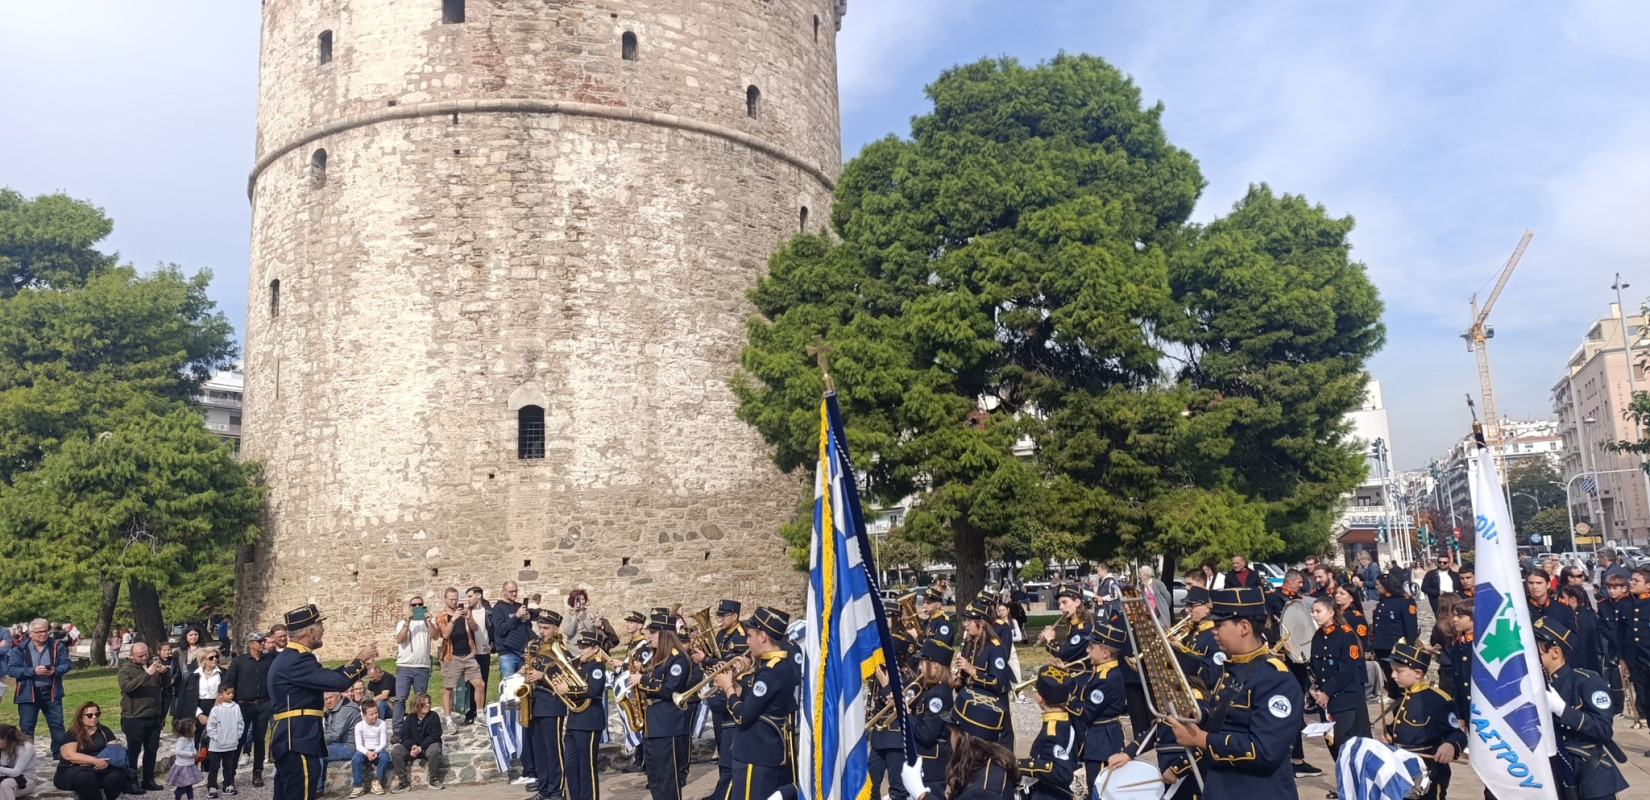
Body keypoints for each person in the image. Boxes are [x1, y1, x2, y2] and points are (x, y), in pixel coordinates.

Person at [1167, 586, 1303, 796]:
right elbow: (1223, 718)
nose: (1213, 630)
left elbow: (1264, 750)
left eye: (1219, 624)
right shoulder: (1233, 668)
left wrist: (1200, 739)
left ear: (1244, 627)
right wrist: (1193, 711)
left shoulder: (1276, 679)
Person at [267, 604, 375, 800]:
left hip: (292, 738)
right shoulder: (297, 660)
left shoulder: (291, 659)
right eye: (320, 626)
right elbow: (338, 682)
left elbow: (325, 678)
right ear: (310, 630)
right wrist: (360, 659)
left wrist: (357, 664)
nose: (323, 630)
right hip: (298, 740)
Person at [1533, 617, 1629, 800]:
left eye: (1537, 653)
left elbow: (1603, 729)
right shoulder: (1536, 686)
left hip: (1588, 774)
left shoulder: (1586, 681)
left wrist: (1562, 710)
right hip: (1553, 772)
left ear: (1555, 652)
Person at [715, 607, 799, 800]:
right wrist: (736, 687)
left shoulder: (771, 672)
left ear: (762, 637)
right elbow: (759, 702)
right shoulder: (777, 667)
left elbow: (743, 716)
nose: (747, 641)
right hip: (759, 752)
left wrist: (728, 688)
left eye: (750, 635)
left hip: (756, 754)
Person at [895, 689, 1018, 800]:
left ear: (962, 736)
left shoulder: (983, 791)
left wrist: (920, 793)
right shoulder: (990, 767)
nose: (950, 736)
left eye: (952, 730)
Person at [1384, 642, 1466, 800]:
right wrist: (1389, 734)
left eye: (1398, 671)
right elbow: (1401, 726)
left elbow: (1458, 734)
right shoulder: (1404, 697)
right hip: (1403, 772)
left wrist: (1450, 745)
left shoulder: (1438, 700)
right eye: (1393, 670)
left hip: (1429, 774)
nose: (1393, 675)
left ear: (1418, 672)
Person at [630, 610, 690, 800]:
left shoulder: (677, 659)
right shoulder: (658, 659)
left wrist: (643, 680)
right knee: (655, 777)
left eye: (653, 632)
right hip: (653, 725)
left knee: (667, 780)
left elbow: (669, 689)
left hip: (667, 726)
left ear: (664, 634)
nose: (650, 636)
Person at [1309, 594, 1369, 766]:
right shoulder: (1318, 636)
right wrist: (1312, 689)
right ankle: (1344, 783)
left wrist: (1327, 692)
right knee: (1331, 742)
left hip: (1343, 698)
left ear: (1331, 612)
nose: (1314, 615)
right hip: (1324, 701)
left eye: (1318, 611)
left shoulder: (1346, 635)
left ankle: (1353, 785)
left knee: (1345, 742)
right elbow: (1315, 666)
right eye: (1313, 611)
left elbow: (1347, 669)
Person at [1069, 621, 1128, 792]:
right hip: (1098, 738)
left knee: (1101, 788)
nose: (1087, 650)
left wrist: (1065, 697)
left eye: (1091, 647)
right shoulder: (1102, 670)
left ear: (1105, 653)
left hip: (1103, 741)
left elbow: (1086, 711)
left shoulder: (1106, 679)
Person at [697, 599, 746, 800]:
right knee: (720, 741)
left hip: (733, 691)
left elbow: (734, 664)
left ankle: (729, 790)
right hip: (720, 691)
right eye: (718, 615)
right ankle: (722, 788)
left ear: (734, 616)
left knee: (729, 746)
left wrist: (706, 660)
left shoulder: (741, 636)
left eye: (722, 616)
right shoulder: (720, 634)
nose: (719, 619)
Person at [6, 619, 71, 759]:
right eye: (39, 632)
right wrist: (32, 671)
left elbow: (66, 664)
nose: (43, 634)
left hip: (51, 692)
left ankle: (59, 755)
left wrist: (55, 670)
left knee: (57, 726)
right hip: (28, 693)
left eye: (45, 631)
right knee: (27, 727)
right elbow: (12, 670)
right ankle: (27, 757)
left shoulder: (56, 646)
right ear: (30, 634)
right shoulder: (19, 649)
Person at [521, 610, 568, 800]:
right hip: (535, 702)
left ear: (556, 628)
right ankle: (544, 789)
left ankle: (558, 791)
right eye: (540, 627)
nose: (541, 631)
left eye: (546, 628)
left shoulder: (560, 650)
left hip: (552, 702)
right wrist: (526, 670)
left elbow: (565, 675)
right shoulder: (536, 646)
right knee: (539, 750)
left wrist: (543, 676)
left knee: (553, 750)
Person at [557, 631, 607, 800]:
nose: (581, 650)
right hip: (574, 720)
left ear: (595, 648)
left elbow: (593, 691)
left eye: (585, 647)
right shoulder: (578, 664)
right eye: (580, 646)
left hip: (589, 721)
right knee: (571, 766)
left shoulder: (598, 666)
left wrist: (568, 689)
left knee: (587, 767)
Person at [116, 642, 170, 793]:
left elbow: (166, 685)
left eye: (146, 654)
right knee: (134, 752)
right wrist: (147, 674)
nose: (144, 657)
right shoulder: (125, 670)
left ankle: (148, 780)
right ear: (131, 656)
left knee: (151, 750)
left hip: (154, 717)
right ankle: (131, 782)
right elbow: (127, 688)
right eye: (140, 655)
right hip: (135, 718)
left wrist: (164, 672)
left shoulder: (153, 664)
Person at [221, 633, 272, 788]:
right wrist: (225, 698)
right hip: (243, 705)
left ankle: (257, 771)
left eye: (263, 641)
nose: (263, 643)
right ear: (251, 644)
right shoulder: (239, 661)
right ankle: (230, 773)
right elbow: (229, 680)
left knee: (259, 739)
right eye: (259, 641)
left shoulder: (268, 660)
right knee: (239, 739)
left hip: (263, 704)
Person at [1015, 670, 1074, 800]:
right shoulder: (1066, 720)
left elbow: (1063, 773)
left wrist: (1020, 764)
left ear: (1039, 698)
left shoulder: (1052, 732)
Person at [54, 701, 127, 800]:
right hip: (75, 769)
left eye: (97, 714)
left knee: (117, 776)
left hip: (100, 767)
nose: (94, 717)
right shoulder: (72, 733)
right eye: (89, 715)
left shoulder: (104, 730)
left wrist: (103, 762)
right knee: (85, 777)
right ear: (81, 717)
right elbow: (69, 756)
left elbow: (114, 750)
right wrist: (95, 761)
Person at [435, 587, 484, 728]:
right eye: (451, 599)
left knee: (480, 684)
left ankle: (480, 714)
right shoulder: (441, 616)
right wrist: (453, 619)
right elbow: (444, 635)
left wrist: (469, 618)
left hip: (468, 654)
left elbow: (475, 628)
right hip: (452, 656)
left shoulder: (464, 612)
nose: (454, 602)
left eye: (456, 599)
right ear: (445, 599)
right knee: (449, 688)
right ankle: (449, 720)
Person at [1370, 574, 1418, 704]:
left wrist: (1410, 645)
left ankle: (1402, 697)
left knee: (1400, 675)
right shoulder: (1383, 600)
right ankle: (1393, 693)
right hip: (1381, 644)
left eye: (1379, 584)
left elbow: (1411, 626)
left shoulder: (1404, 601)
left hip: (1396, 645)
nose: (1377, 587)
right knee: (1388, 673)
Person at [389, 693, 445, 792]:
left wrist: (420, 748)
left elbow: (435, 736)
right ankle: (404, 782)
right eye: (424, 703)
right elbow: (404, 736)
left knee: (435, 749)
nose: (428, 705)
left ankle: (434, 779)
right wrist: (413, 746)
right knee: (396, 752)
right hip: (413, 747)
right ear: (417, 705)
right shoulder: (410, 718)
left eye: (428, 703)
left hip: (427, 747)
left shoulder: (434, 716)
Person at [392, 596, 434, 729]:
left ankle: (418, 726)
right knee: (400, 699)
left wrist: (429, 622)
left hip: (422, 666)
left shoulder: (427, 623)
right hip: (405, 666)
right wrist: (407, 622)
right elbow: (399, 640)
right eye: (413, 605)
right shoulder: (402, 623)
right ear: (410, 607)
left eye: (419, 604)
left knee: (420, 700)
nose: (417, 607)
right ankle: (397, 728)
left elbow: (436, 636)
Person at [1037, 584, 1092, 666]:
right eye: (1059, 604)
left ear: (1077, 602)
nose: (1061, 607)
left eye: (1064, 602)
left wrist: (1051, 639)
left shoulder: (1084, 629)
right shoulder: (1074, 625)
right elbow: (1070, 653)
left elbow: (1064, 654)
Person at [488, 581, 533, 679]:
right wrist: (516, 616)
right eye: (511, 591)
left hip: (522, 651)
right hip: (507, 653)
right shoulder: (498, 608)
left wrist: (527, 619)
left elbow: (526, 628)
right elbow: (501, 629)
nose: (514, 594)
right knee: (508, 684)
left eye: (516, 591)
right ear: (504, 592)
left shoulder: (519, 606)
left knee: (523, 684)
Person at [205, 686, 243, 798]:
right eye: (228, 693)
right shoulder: (216, 709)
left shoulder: (236, 707)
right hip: (217, 745)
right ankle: (211, 786)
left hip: (231, 744)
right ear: (220, 695)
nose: (231, 695)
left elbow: (240, 723)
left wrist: (236, 736)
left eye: (232, 693)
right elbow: (210, 726)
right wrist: (217, 738)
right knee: (214, 766)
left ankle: (228, 784)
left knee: (229, 766)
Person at [1624, 568, 1650, 732]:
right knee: (1645, 700)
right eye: (1631, 579)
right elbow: (1622, 634)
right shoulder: (1625, 603)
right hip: (1636, 660)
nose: (1631, 583)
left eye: (1636, 581)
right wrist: (1621, 658)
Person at [1559, 584, 1605, 675]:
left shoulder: (1580, 617)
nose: (1559, 601)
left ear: (1572, 599)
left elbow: (1581, 645)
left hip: (1583, 666)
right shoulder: (1589, 613)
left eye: (1563, 598)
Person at [322, 688, 363, 788]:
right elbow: (327, 732)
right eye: (325, 699)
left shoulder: (346, 710)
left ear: (338, 696)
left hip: (350, 747)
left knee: (317, 752)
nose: (328, 701)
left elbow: (334, 734)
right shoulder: (331, 711)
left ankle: (317, 788)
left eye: (330, 697)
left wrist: (317, 742)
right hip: (339, 744)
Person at [174, 648, 224, 729]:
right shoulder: (192, 676)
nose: (215, 659)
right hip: (197, 707)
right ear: (203, 660)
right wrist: (199, 714)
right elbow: (186, 698)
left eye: (216, 656)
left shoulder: (223, 674)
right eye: (211, 658)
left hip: (217, 707)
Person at [350, 700, 391, 797]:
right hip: (365, 750)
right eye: (371, 714)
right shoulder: (359, 726)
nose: (375, 716)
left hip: (378, 750)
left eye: (376, 713)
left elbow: (383, 743)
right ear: (364, 715)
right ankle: (358, 785)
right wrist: (367, 752)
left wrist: (375, 751)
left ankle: (377, 781)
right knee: (356, 758)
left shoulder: (382, 723)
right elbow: (359, 745)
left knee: (385, 757)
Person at [464, 587, 494, 704]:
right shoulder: (467, 612)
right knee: (470, 683)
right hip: (470, 652)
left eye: (470, 596)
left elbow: (494, 631)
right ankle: (470, 711)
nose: (468, 599)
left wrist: (492, 645)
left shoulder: (489, 612)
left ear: (479, 596)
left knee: (482, 683)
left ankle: (480, 711)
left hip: (484, 652)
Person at [1528, 569, 1578, 633]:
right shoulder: (1521, 607)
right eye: (1531, 583)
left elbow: (1573, 636)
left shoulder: (1562, 607)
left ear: (1548, 584)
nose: (1534, 587)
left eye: (1539, 583)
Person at [165, 719, 203, 800]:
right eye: (193, 726)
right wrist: (190, 754)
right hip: (182, 766)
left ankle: (190, 797)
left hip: (190, 764)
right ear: (188, 730)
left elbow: (193, 749)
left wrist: (195, 754)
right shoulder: (182, 740)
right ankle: (177, 795)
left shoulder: (191, 739)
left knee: (189, 784)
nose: (195, 727)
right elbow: (178, 752)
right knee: (183, 785)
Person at [0, 723, 39, 800]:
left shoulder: (26, 747)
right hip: (3, 777)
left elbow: (16, 772)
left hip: (25, 780)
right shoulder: (2, 748)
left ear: (6, 738)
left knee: (6, 784)